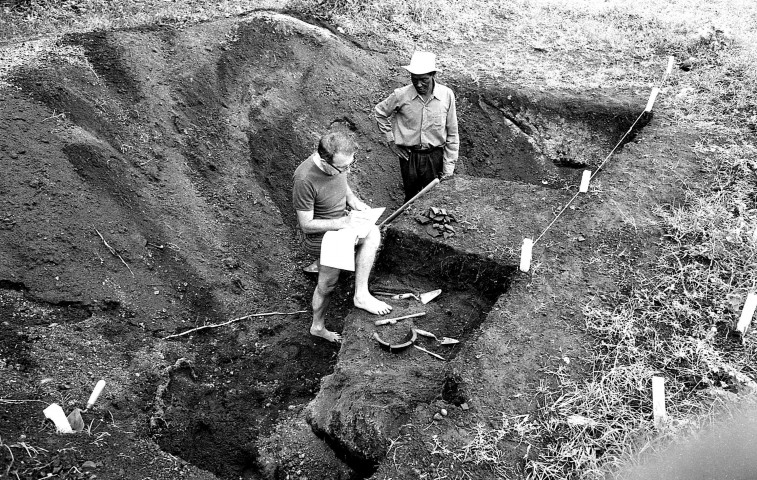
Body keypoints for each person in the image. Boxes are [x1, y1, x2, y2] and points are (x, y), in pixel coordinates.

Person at [292, 131, 393, 343]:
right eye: (343, 167)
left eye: (349, 165)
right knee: (328, 284)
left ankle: (361, 294)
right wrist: (342, 223)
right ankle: (317, 327)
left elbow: (342, 184)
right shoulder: (304, 179)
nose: (346, 170)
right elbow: (306, 225)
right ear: (323, 160)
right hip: (323, 237)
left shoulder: (338, 164)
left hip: (341, 225)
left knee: (373, 232)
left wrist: (355, 203)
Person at [374, 51, 459, 202]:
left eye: (424, 79)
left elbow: (452, 134)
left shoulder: (446, 95)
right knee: (410, 199)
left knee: (434, 199)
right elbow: (380, 112)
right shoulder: (401, 95)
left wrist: (448, 169)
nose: (419, 84)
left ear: (433, 75)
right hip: (409, 156)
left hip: (435, 156)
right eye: (415, 79)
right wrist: (391, 142)